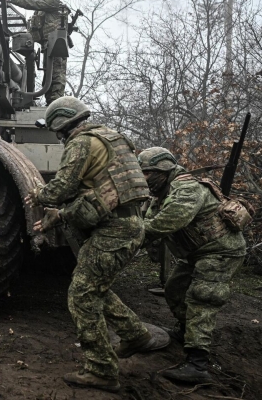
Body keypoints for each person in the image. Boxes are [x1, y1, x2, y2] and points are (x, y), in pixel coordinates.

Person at [27, 96, 167, 392]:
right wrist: (63, 215)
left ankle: (102, 369)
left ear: (60, 126)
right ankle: (135, 335)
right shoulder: (113, 138)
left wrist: (38, 194)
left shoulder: (80, 143)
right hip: (130, 225)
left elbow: (61, 188)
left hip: (113, 229)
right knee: (94, 286)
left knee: (81, 295)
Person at [138, 147, 247, 384]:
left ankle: (197, 363)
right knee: (174, 289)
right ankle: (186, 332)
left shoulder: (187, 189)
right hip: (198, 253)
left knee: (202, 298)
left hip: (221, 251)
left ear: (163, 170)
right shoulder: (161, 191)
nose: (143, 177)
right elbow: (148, 221)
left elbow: (169, 221)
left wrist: (132, 236)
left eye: (147, 172)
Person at [9, 0, 70, 104]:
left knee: (57, 75)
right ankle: (51, 101)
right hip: (46, 46)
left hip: (56, 45)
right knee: (48, 75)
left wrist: (12, 0)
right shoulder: (43, 9)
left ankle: (55, 101)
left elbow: (32, 3)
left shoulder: (53, 3)